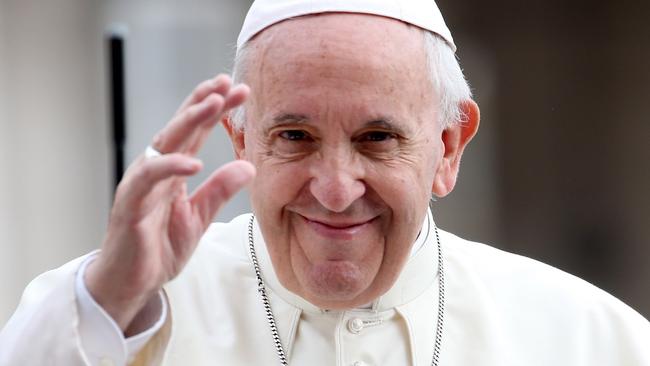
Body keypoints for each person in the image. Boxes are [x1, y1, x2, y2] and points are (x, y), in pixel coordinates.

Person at [1, 0, 649, 365]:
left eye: (377, 138)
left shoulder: (591, 340)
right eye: (295, 137)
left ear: (448, 147)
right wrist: (108, 297)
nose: (336, 189)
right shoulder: (117, 316)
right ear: (242, 138)